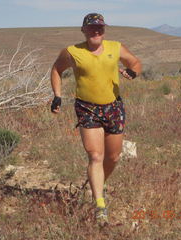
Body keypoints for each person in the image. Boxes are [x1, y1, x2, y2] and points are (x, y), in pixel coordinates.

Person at [50, 13, 142, 226]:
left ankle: (97, 185)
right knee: (95, 156)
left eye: (100, 27)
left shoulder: (116, 47)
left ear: (104, 29)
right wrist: (57, 96)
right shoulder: (72, 52)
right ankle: (99, 203)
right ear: (83, 30)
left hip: (113, 107)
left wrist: (132, 72)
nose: (96, 31)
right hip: (87, 108)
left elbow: (135, 62)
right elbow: (56, 69)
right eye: (91, 28)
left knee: (114, 157)